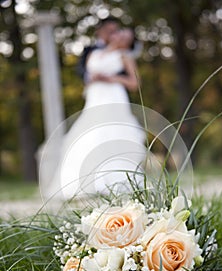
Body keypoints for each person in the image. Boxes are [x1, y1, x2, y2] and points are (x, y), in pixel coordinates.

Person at [40, 28, 146, 201]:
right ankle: (81, 183)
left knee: (111, 133)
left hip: (113, 97)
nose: (121, 37)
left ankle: (115, 181)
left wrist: (113, 79)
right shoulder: (94, 53)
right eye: (120, 33)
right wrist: (93, 79)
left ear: (129, 43)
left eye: (126, 37)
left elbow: (134, 83)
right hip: (94, 97)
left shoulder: (125, 57)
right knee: (88, 134)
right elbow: (85, 75)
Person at [77, 17, 120, 83]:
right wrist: (90, 77)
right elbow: (80, 69)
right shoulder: (89, 50)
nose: (112, 34)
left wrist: (115, 78)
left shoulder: (121, 51)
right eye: (109, 31)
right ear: (99, 30)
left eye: (114, 31)